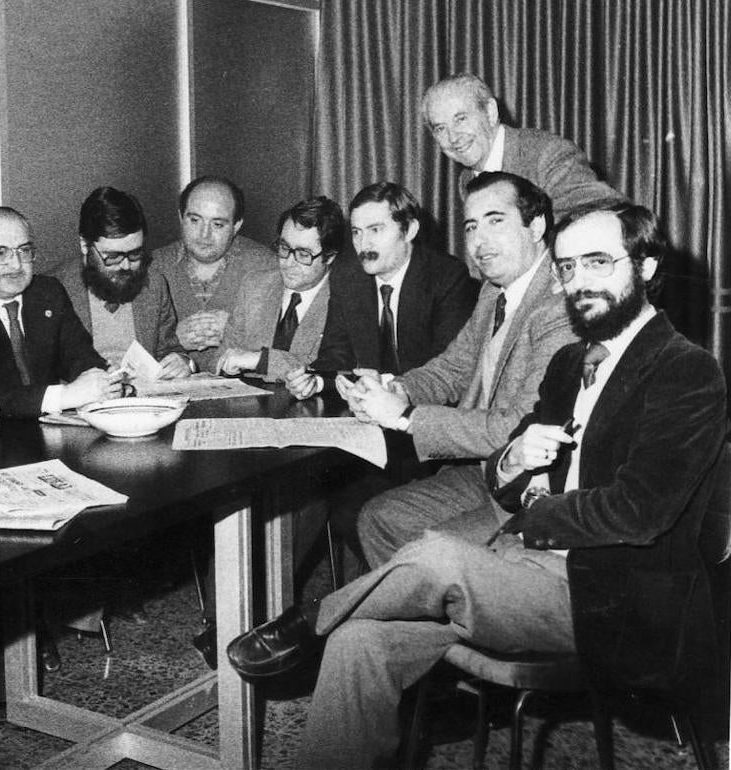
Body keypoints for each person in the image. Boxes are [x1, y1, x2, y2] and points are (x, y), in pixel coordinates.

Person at [276, 201, 726, 768]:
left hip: (608, 597)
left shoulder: (686, 370)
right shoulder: (569, 364)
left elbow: (639, 512)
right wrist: (513, 461)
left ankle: (310, 627)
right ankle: (331, 637)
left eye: (598, 262)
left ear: (646, 267)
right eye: (567, 267)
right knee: (359, 644)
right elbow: (500, 473)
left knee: (440, 553)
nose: (579, 282)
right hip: (521, 571)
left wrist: (530, 516)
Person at [227, 172, 577, 678]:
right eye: (471, 226)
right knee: (378, 517)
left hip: (528, 489)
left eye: (495, 222)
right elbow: (452, 368)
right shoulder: (496, 290)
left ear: (538, 226)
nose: (479, 241)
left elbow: (515, 427)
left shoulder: (557, 306)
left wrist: (407, 417)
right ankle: (427, 656)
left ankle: (320, 625)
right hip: (484, 470)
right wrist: (396, 390)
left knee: (425, 546)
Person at [0, 206, 126, 417]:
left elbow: (78, 355)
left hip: (52, 429)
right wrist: (64, 396)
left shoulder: (48, 292)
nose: (16, 264)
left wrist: (103, 379)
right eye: (0, 253)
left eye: (24, 251)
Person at [293, 182, 478, 388]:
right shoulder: (347, 278)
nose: (364, 244)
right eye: (356, 232)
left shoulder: (447, 277)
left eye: (375, 230)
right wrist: (316, 381)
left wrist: (384, 383)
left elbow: (449, 370)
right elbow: (337, 354)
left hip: (425, 402)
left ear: (409, 230)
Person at [422, 73, 625, 221]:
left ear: (490, 112)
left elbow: (607, 214)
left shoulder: (547, 154)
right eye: (440, 128)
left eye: (461, 119)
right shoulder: (467, 180)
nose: (453, 137)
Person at [53, 186, 191, 377]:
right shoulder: (53, 290)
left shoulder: (154, 284)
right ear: (85, 245)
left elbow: (169, 349)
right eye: (113, 256)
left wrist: (182, 362)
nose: (126, 266)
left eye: (135, 254)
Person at [151, 175, 277, 372]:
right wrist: (169, 340)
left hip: (246, 388)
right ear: (181, 217)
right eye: (194, 220)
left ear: (236, 225)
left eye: (217, 224)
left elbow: (292, 347)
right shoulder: (153, 267)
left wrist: (239, 331)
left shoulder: (267, 266)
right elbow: (127, 349)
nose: (204, 234)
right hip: (171, 387)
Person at [215, 197, 348, 382]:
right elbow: (224, 358)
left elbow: (337, 371)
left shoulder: (348, 300)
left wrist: (262, 360)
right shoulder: (254, 286)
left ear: (330, 257)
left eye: (303, 254)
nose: (289, 262)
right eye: (285, 248)